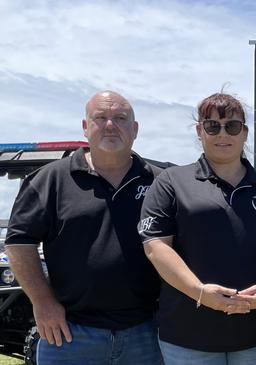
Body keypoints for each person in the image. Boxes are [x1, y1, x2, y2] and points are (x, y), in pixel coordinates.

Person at [5, 91, 163, 364]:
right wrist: (42, 303)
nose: (111, 125)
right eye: (100, 118)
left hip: (147, 333)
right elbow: (19, 243)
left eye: (121, 118)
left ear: (135, 129)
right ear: (85, 126)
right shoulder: (50, 180)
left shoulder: (162, 180)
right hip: (70, 334)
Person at [138, 92, 256, 365]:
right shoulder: (171, 181)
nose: (222, 134)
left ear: (244, 133)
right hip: (188, 336)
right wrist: (200, 292)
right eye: (212, 126)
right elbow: (156, 247)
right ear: (199, 131)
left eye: (232, 126)